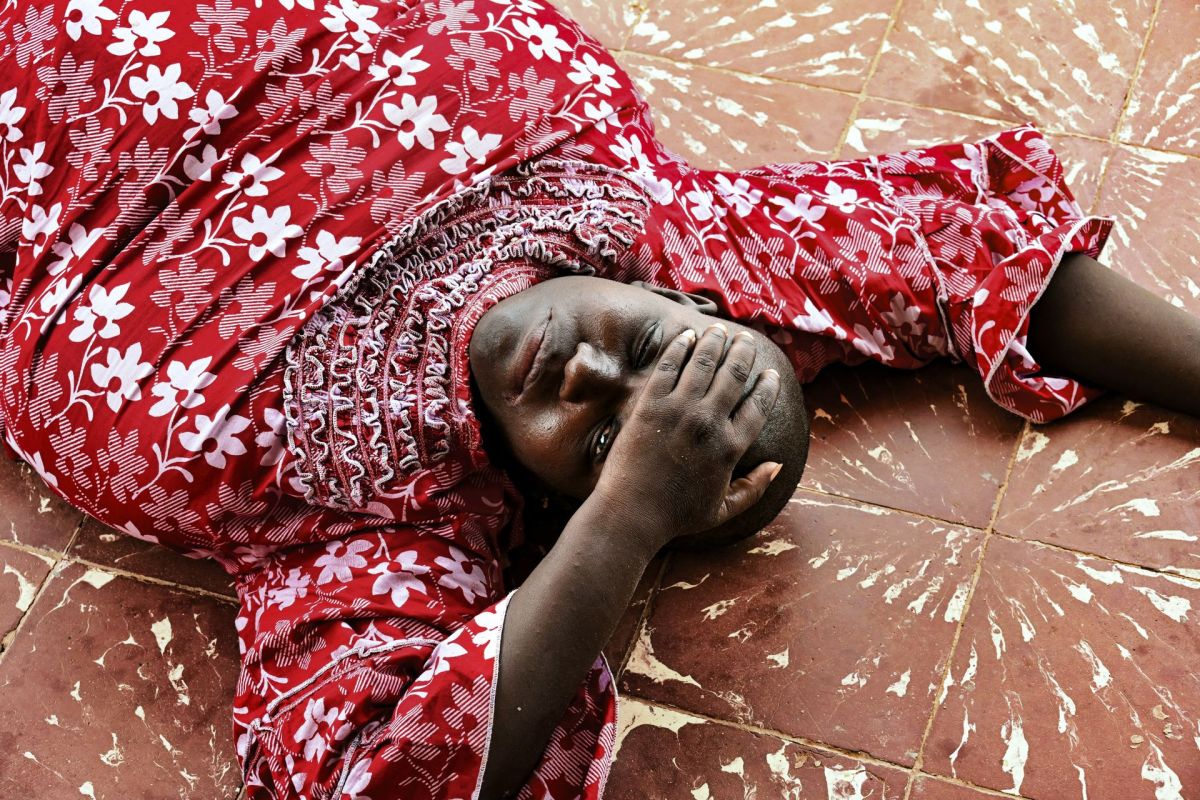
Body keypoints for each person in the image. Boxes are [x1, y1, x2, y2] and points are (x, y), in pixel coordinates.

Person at [1, 2, 1198, 800]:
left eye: (602, 443)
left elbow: (378, 772)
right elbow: (960, 246)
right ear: (683, 296)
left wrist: (629, 517)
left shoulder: (372, 512)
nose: (588, 378)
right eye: (649, 350)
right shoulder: (664, 232)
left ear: (553, 506)